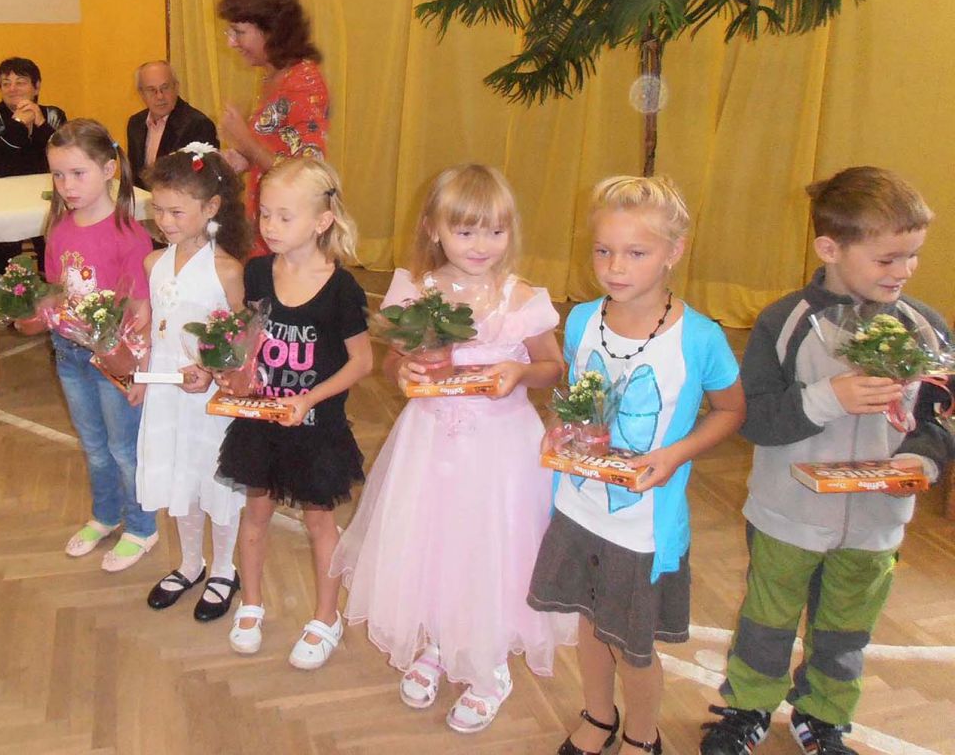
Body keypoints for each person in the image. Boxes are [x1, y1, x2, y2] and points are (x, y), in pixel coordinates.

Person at [699, 167, 952, 755]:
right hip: (789, 515)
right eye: (887, 259)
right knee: (766, 621)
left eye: (912, 255)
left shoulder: (925, 327)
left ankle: (825, 715)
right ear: (830, 249)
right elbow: (753, 418)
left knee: (845, 632)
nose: (904, 270)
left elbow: (940, 417)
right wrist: (826, 398)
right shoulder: (784, 323)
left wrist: (923, 462)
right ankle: (747, 708)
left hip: (876, 523)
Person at [332, 164, 576, 733]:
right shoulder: (416, 291)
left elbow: (552, 367)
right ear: (434, 229)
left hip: (500, 453)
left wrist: (520, 372)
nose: (481, 245)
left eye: (496, 231)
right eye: (465, 231)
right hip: (429, 444)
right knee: (434, 542)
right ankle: (440, 643)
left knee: (489, 549)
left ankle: (488, 663)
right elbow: (395, 362)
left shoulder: (520, 298)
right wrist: (404, 369)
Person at [527, 176, 745, 755]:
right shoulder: (581, 320)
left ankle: (643, 735)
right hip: (578, 508)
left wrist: (674, 454)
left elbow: (731, 411)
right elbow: (574, 398)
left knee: (632, 647)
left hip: (642, 526)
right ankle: (599, 715)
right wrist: (559, 425)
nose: (615, 267)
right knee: (588, 623)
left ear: (674, 252)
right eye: (604, 250)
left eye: (636, 253)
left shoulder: (700, 338)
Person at [215, 158, 372, 668]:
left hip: (315, 429)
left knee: (319, 523)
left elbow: (362, 362)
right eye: (265, 214)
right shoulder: (258, 272)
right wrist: (229, 369)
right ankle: (251, 603)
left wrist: (309, 398)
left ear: (321, 221)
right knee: (255, 516)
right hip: (261, 424)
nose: (270, 226)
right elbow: (248, 338)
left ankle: (327, 616)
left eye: (285, 216)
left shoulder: (341, 289)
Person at [20, 120, 158, 571]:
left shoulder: (129, 235)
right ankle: (105, 515)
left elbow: (141, 310)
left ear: (108, 169)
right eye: (58, 175)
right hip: (70, 354)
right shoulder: (59, 229)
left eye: (78, 174)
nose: (67, 186)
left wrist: (138, 371)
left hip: (115, 359)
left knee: (124, 449)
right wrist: (34, 313)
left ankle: (142, 526)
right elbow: (58, 290)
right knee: (94, 445)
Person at [135, 143, 250, 622]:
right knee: (177, 474)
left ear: (211, 207)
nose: (164, 221)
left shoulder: (227, 270)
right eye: (158, 209)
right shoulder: (153, 264)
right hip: (167, 392)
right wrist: (136, 371)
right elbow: (153, 328)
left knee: (213, 479)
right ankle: (189, 563)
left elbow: (242, 338)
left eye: (176, 211)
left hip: (210, 399)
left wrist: (213, 369)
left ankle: (223, 568)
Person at [216, 0, 329, 254]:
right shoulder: (271, 77)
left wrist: (246, 142)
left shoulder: (303, 82)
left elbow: (308, 175)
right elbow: (277, 150)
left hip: (290, 238)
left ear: (271, 30)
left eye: (239, 33)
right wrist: (242, 159)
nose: (231, 42)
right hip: (264, 227)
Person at [0, 57, 67, 276]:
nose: (12, 89)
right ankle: (6, 284)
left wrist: (40, 124)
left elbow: (63, 156)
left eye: (20, 82)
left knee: (55, 230)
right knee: (3, 235)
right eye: (6, 83)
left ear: (37, 86)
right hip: (1, 195)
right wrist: (17, 123)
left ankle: (52, 279)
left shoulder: (54, 115)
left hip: (44, 195)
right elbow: (1, 167)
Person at [125, 61, 219, 174]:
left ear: (176, 87)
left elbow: (205, 177)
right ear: (141, 93)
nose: (160, 96)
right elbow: (132, 175)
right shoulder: (135, 124)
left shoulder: (198, 125)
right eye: (151, 90)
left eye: (165, 88)